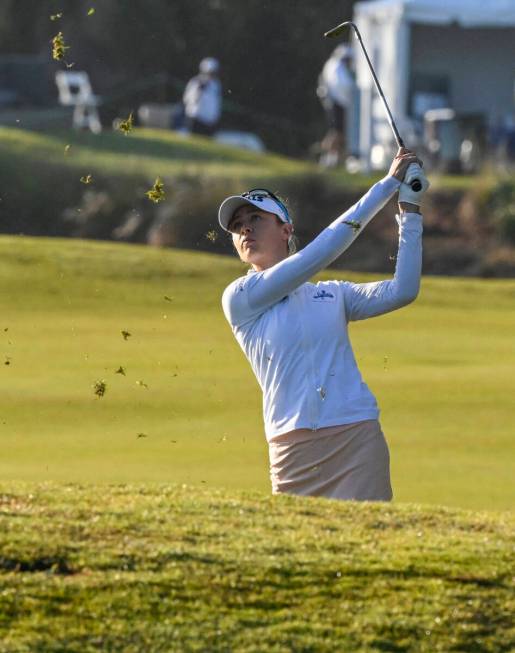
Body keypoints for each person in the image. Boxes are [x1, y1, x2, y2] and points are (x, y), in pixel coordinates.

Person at [218, 149, 429, 501]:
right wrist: (386, 184)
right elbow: (320, 253)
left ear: (285, 229)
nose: (245, 229)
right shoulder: (240, 298)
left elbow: (402, 290)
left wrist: (410, 211)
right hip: (292, 448)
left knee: (371, 545)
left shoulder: (333, 295)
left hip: (356, 438)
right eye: (238, 226)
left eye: (255, 219)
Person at [317, 44, 356, 168]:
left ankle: (331, 158)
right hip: (336, 103)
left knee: (336, 132)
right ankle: (327, 158)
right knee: (337, 132)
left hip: (333, 102)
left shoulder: (332, 64)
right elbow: (343, 85)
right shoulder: (337, 66)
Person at [182, 57, 222, 136]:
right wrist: (198, 91)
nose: (211, 74)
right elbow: (188, 99)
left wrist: (215, 118)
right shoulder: (196, 82)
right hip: (196, 120)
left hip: (209, 122)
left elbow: (216, 104)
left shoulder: (216, 85)